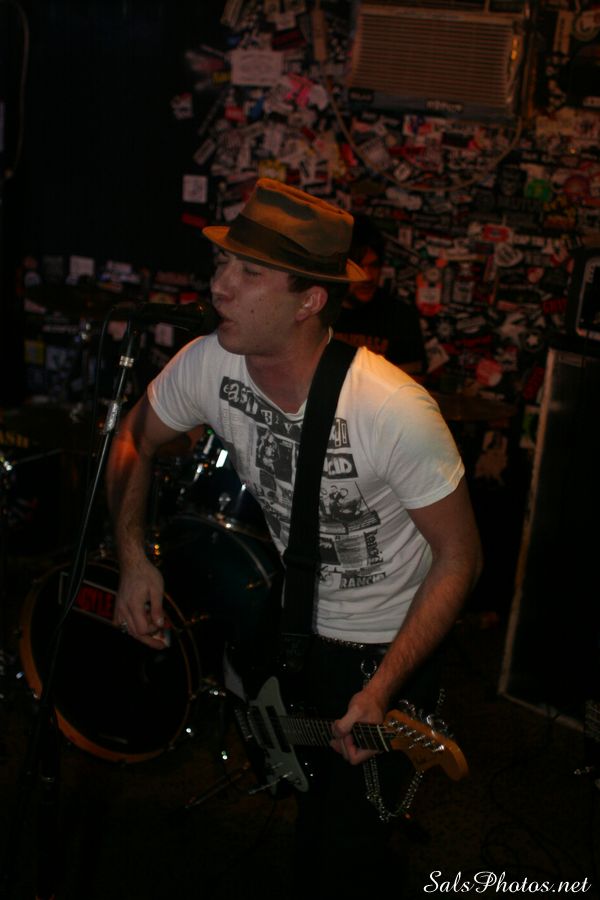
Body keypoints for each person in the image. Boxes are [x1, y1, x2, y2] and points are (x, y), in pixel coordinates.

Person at [105, 178, 482, 897]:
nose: (219, 286)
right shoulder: (208, 363)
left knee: (349, 848)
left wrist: (384, 688)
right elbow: (132, 439)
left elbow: (460, 556)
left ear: (309, 301)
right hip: (296, 620)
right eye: (222, 263)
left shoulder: (392, 410)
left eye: (248, 272)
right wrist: (132, 559)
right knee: (310, 815)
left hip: (385, 645)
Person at [334, 213, 427, 376]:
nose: (368, 276)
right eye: (359, 267)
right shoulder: (318, 313)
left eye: (374, 266)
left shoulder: (400, 317)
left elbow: (414, 384)